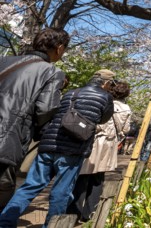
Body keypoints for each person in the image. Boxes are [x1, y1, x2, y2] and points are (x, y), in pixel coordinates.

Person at [0, 69, 114, 228]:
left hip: (49, 144)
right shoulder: (105, 97)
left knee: (30, 186)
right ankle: (52, 225)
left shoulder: (71, 93)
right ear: (106, 83)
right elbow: (103, 119)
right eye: (111, 84)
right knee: (61, 191)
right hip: (73, 148)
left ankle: (4, 222)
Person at [0, 28, 70, 209]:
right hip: (8, 139)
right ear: (60, 48)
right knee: (3, 188)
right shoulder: (52, 72)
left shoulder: (4, 61)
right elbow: (46, 108)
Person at [68, 79, 131, 222]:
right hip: (109, 144)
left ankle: (73, 212)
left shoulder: (104, 100)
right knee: (98, 179)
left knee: (82, 176)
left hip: (95, 141)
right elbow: (126, 129)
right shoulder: (127, 109)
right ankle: (89, 214)